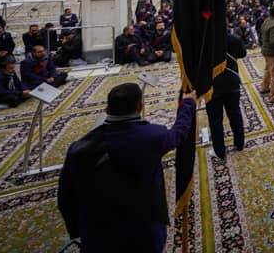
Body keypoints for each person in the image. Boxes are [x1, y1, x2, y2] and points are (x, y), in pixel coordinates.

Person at [58, 83, 197, 253]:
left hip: (98, 234)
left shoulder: (78, 149)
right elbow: (179, 133)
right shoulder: (153, 137)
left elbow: (65, 198)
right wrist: (188, 104)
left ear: (107, 109)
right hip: (143, 231)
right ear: (140, 106)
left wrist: (78, 231)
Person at [205, 34, 246, 159]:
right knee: (235, 114)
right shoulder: (233, 39)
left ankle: (220, 151)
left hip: (212, 85)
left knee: (215, 120)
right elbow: (242, 53)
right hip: (231, 82)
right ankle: (239, 144)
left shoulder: (202, 41)